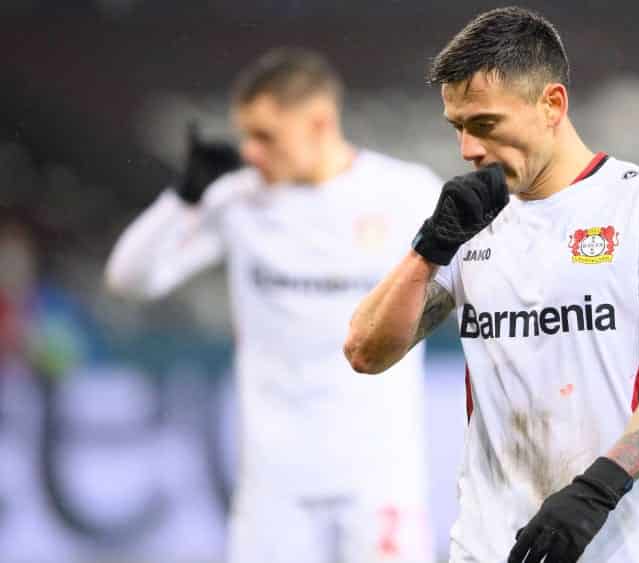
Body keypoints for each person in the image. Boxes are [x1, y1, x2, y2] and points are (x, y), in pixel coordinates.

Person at [344, 7, 639, 563]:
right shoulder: (468, 221)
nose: (468, 149)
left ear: (552, 105)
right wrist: (428, 248)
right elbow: (365, 352)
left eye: (485, 124)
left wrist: (598, 488)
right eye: (458, 127)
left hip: (618, 543)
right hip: (488, 547)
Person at [106, 47, 437, 563]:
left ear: (319, 123)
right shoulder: (238, 199)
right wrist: (184, 197)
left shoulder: (406, 193)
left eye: (266, 136)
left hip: (379, 477)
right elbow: (128, 279)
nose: (251, 152)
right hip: (275, 486)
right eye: (246, 136)